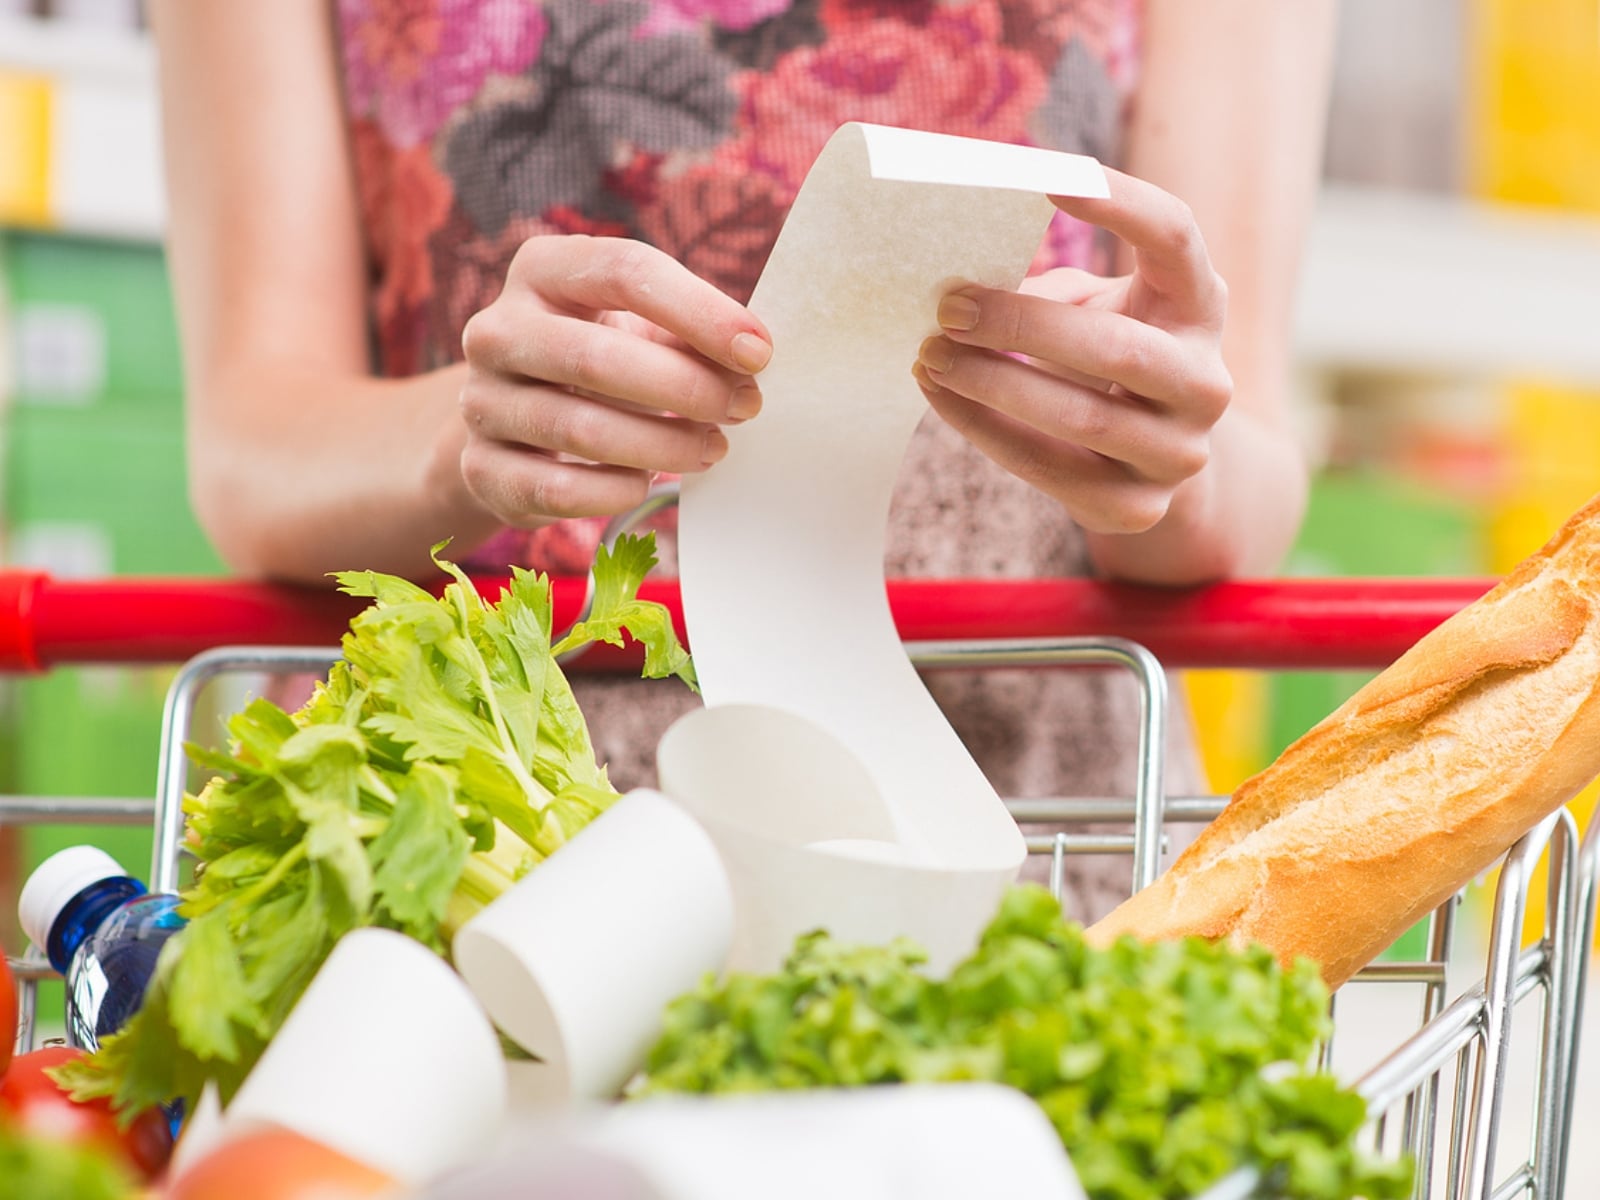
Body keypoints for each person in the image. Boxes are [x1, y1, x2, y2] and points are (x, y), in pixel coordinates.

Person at [147, 0, 1336, 922]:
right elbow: (254, 441)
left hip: (1004, 819)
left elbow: (1249, 453)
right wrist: (465, 431)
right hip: (477, 828)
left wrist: (1166, 446)